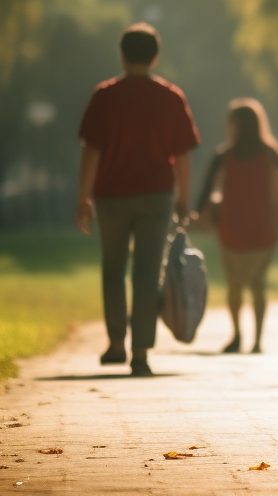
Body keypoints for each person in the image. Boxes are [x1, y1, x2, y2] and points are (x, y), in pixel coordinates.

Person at [76, 23, 200, 377]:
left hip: (111, 195)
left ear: (122, 54)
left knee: (113, 268)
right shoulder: (171, 97)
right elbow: (184, 154)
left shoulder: (105, 95)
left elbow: (91, 150)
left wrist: (82, 196)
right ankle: (141, 352)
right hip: (156, 195)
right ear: (155, 56)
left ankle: (116, 343)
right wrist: (184, 198)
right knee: (147, 273)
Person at [194, 99, 278, 354]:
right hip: (264, 227)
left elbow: (209, 189)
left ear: (235, 124)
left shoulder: (224, 155)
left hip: (231, 226)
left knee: (235, 284)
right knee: (258, 283)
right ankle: (256, 341)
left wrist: (203, 215)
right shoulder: (271, 154)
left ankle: (236, 335)